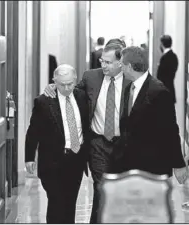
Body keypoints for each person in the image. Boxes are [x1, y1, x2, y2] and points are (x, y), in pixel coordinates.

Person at [43, 42, 131, 224]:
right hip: (98, 143)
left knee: (118, 190)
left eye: (107, 62)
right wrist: (54, 87)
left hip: (123, 145)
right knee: (100, 187)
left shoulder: (132, 81)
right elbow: (72, 92)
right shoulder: (91, 77)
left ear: (120, 62)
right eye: (102, 61)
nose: (103, 65)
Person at [109, 46, 187, 183]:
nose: (120, 68)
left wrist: (178, 164)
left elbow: (170, 130)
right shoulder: (129, 88)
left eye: (121, 64)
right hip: (129, 165)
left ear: (129, 66)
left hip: (152, 166)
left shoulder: (158, 91)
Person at [25, 64, 89, 223]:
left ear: (75, 81)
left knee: (70, 202)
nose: (66, 88)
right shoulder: (44, 102)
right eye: (61, 84)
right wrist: (29, 157)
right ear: (54, 81)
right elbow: (33, 131)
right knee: (56, 202)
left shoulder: (82, 97)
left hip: (76, 158)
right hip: (52, 162)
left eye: (70, 84)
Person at [157, 35, 179, 104]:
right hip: (170, 90)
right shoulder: (174, 56)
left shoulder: (165, 58)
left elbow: (160, 76)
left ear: (162, 44)